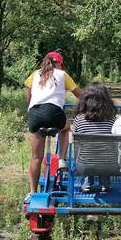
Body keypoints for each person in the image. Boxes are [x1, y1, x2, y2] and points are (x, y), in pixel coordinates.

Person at [24, 51, 82, 193]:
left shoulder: (35, 74)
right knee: (67, 128)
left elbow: (28, 96)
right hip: (53, 113)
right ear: (59, 64)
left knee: (36, 157)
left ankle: (32, 192)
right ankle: (62, 159)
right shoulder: (62, 75)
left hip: (35, 114)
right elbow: (80, 95)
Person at [72, 82, 118, 192]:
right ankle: (105, 184)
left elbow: (77, 142)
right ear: (106, 100)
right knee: (104, 155)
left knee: (87, 152)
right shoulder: (112, 120)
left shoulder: (79, 119)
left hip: (84, 164)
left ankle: (87, 183)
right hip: (109, 164)